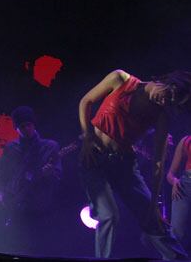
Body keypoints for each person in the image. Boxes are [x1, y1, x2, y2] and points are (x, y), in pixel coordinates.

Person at [79, 69, 191, 259]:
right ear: (166, 81)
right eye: (168, 95)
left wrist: (154, 204)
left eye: (171, 102)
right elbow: (85, 102)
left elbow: (158, 161)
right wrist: (88, 137)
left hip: (125, 165)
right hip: (95, 158)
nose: (165, 102)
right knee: (109, 216)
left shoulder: (161, 114)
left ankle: (180, 259)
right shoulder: (120, 79)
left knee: (153, 218)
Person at [0, 106, 63, 255]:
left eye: (29, 124)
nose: (27, 128)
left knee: (42, 247)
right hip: (17, 205)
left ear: (34, 124)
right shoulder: (11, 148)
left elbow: (58, 176)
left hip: (42, 207)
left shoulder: (49, 147)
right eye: (22, 126)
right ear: (16, 128)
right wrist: (1, 193)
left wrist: (49, 174)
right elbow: (2, 175)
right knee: (18, 247)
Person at [168, 135, 191, 247]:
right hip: (185, 186)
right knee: (177, 232)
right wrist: (175, 181)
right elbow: (170, 175)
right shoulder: (186, 141)